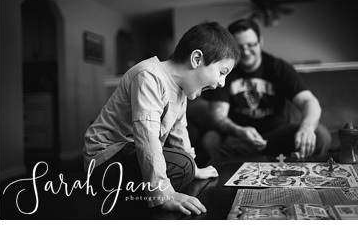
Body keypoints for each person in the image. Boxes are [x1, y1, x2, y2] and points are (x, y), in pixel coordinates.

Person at [84, 21, 240, 215]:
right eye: (222, 72)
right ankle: (128, 203)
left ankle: (136, 198)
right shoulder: (148, 75)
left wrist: (194, 168)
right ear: (197, 59)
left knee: (185, 165)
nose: (222, 83)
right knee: (181, 166)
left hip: (129, 154)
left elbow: (178, 132)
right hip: (105, 162)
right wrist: (163, 193)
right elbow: (146, 137)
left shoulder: (181, 89)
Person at [201, 19, 331, 160]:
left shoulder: (279, 68)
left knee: (320, 134)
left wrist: (307, 127)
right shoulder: (225, 70)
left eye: (251, 45)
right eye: (239, 47)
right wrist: (239, 131)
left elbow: (309, 102)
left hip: (278, 137)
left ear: (261, 42)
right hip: (240, 137)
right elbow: (217, 115)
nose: (245, 52)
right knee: (209, 141)